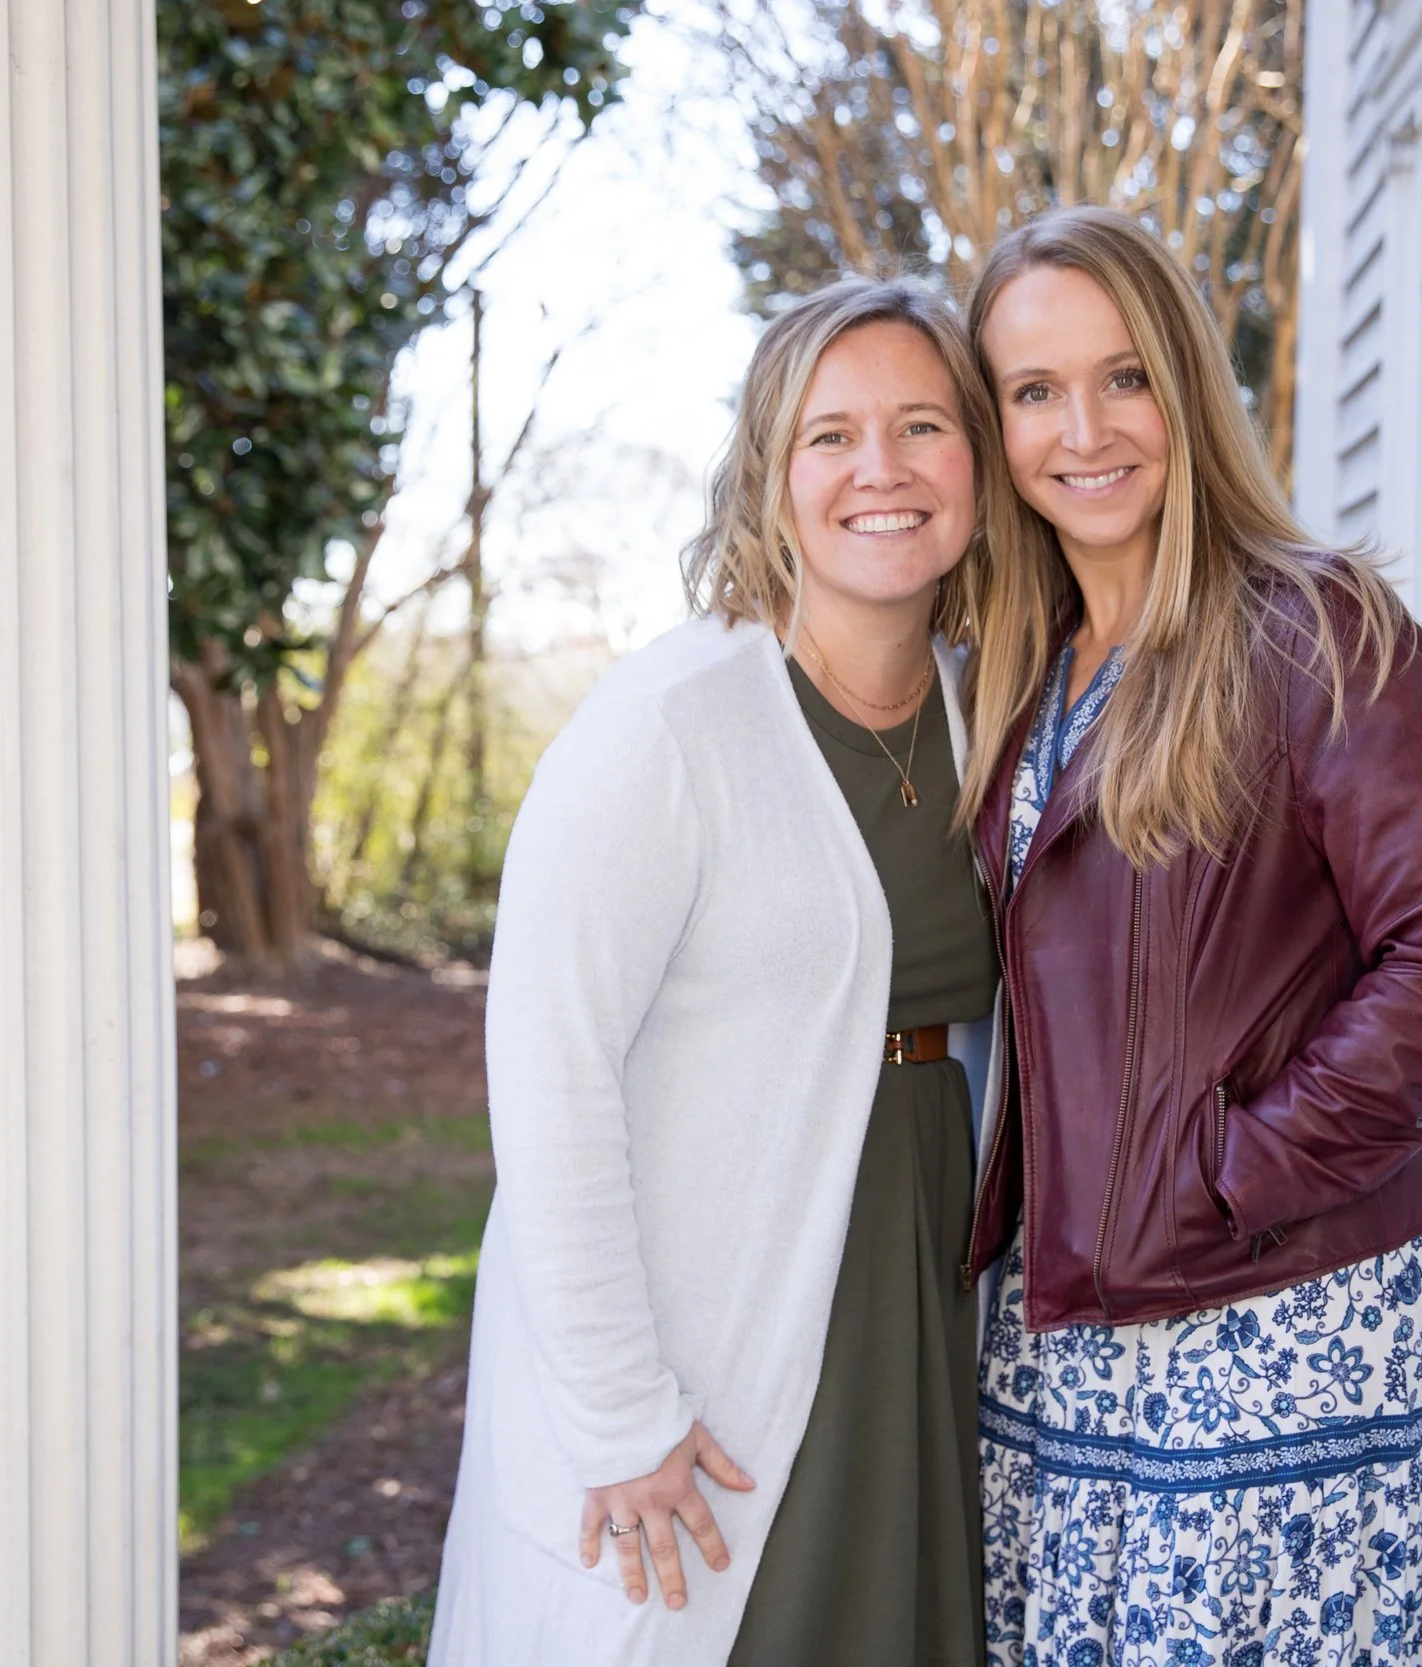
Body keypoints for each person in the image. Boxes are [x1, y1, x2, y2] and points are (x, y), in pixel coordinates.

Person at [957, 206, 1422, 1666]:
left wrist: (1236, 1173)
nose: (1084, 430)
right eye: (1035, 391)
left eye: (1124, 377)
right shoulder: (1023, 678)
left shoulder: (1316, 630)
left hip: (1275, 1321)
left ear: (1186, 385)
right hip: (1066, 1325)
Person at [429, 275, 1004, 1667]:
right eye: (830, 435)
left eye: (923, 425)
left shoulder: (993, 713)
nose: (881, 468)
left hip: (914, 1298)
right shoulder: (669, 724)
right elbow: (549, 1073)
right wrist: (618, 1412)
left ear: (978, 464)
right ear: (768, 475)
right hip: (710, 1334)